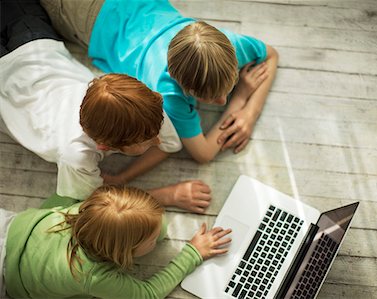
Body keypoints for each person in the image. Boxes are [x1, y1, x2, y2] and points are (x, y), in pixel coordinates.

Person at [0, 0, 212, 213]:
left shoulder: (141, 111)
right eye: (147, 141)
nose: (157, 139)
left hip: (38, 42)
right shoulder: (76, 154)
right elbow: (94, 205)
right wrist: (168, 195)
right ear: (104, 146)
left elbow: (168, 145)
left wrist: (123, 177)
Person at [41, 0, 279, 165]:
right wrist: (240, 99)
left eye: (230, 88)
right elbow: (203, 153)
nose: (222, 101)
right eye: (210, 97)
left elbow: (271, 54)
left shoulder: (231, 45)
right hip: (88, 18)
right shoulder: (168, 92)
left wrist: (251, 111)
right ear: (183, 87)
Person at [2, 185, 232, 298]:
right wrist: (192, 253)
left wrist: (152, 220)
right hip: (9, 277)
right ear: (122, 252)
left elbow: (146, 220)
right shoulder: (93, 275)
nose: (158, 237)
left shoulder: (86, 211)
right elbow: (147, 295)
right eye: (150, 240)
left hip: (13, 227)